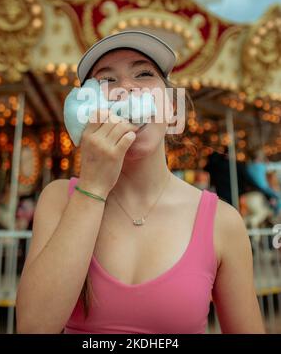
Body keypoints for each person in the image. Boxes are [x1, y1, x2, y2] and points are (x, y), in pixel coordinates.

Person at [16, 31, 265, 334]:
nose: (127, 89)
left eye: (144, 74)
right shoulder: (59, 199)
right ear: (86, 111)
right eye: (107, 81)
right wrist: (93, 187)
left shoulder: (222, 222)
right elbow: (33, 326)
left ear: (172, 108)